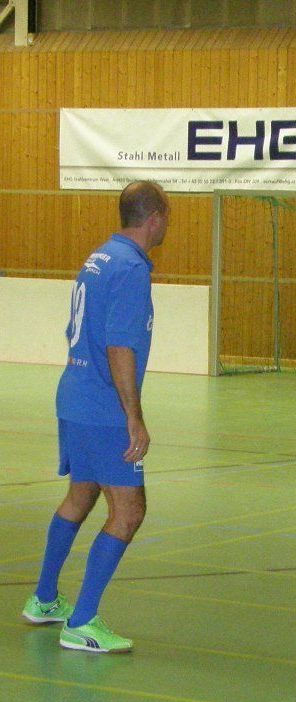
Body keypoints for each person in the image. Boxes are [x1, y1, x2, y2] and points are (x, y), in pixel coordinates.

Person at [21, 181, 170, 653]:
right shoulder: (129, 269)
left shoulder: (99, 257)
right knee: (129, 511)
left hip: (74, 395)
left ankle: (45, 599)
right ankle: (82, 621)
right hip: (105, 407)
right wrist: (135, 416)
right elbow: (119, 345)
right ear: (156, 218)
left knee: (81, 495)